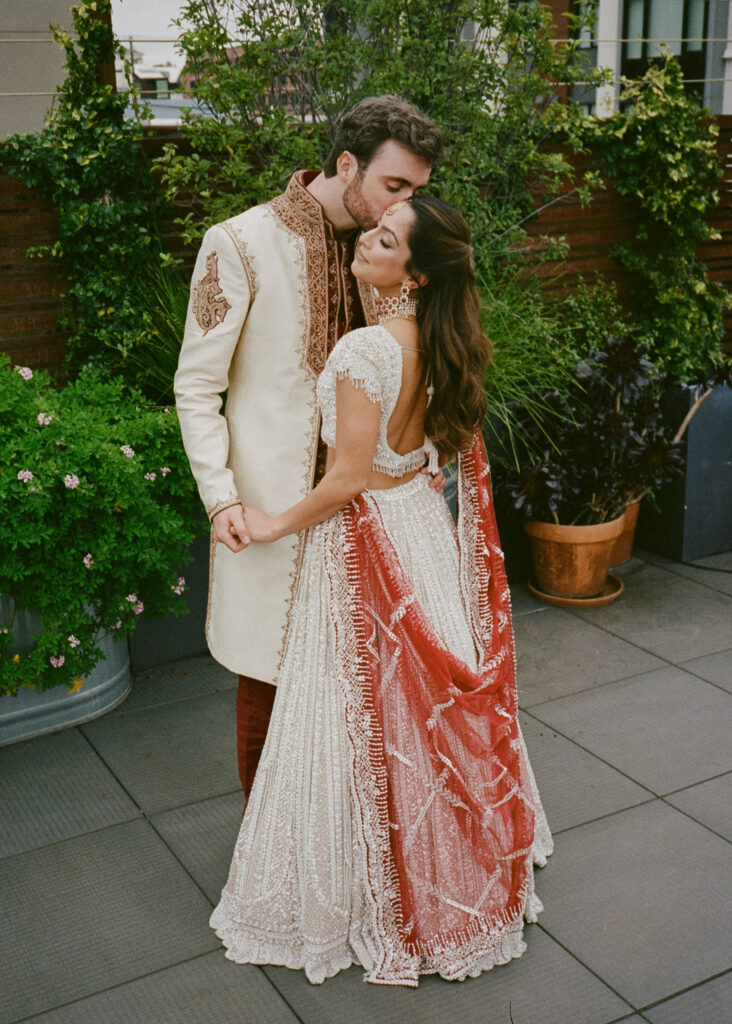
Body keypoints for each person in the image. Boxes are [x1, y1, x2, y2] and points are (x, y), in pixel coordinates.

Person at [209, 195, 553, 986]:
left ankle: (363, 889)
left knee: (351, 710)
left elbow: (346, 481)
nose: (367, 239)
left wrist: (269, 525)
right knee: (417, 715)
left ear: (416, 272)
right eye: (374, 228)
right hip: (421, 531)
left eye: (386, 239)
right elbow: (424, 455)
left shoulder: (364, 350)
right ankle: (444, 863)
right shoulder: (444, 342)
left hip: (364, 542)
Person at [174, 96, 444, 801]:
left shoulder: (384, 254)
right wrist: (220, 496)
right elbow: (196, 387)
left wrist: (423, 453)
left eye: (415, 192)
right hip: (274, 513)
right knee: (266, 694)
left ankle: (345, 866)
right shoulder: (237, 244)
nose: (402, 206)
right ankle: (272, 878)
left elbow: (409, 366)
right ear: (346, 163)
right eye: (395, 186)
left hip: (371, 521)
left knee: (364, 696)